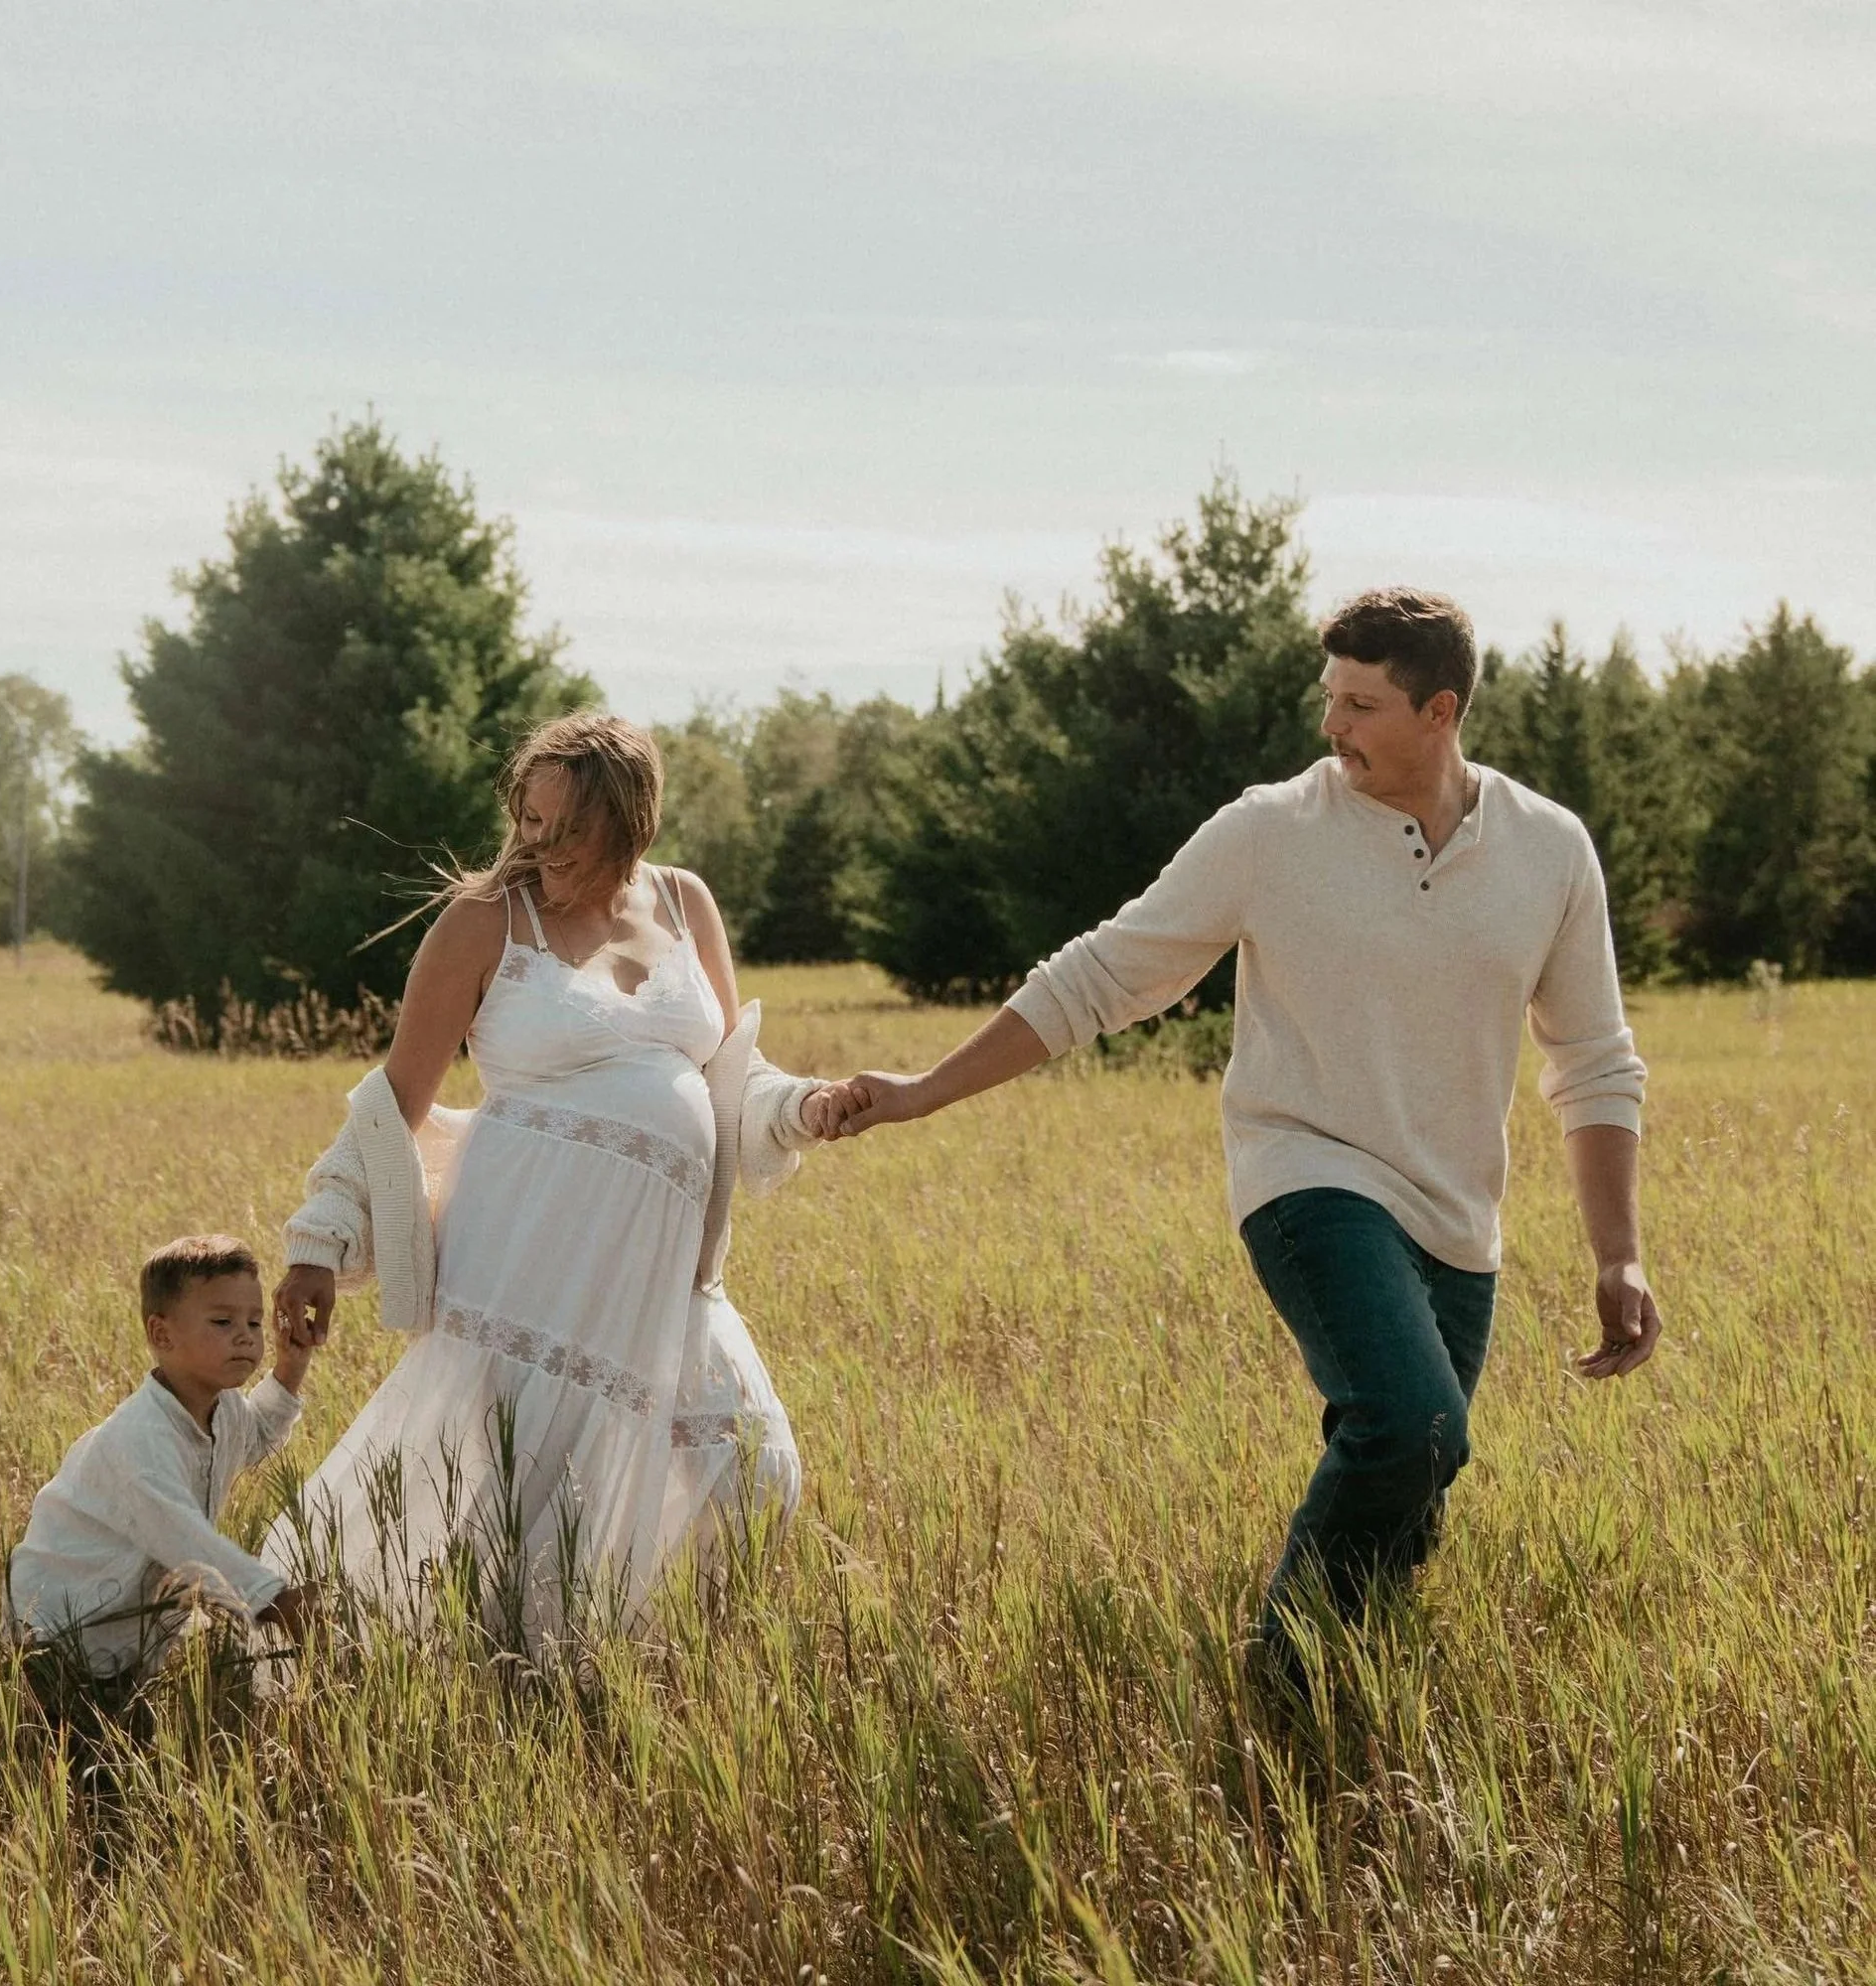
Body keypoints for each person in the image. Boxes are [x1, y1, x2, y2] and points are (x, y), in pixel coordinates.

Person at [827, 587, 1663, 1670]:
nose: (1333, 725)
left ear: (1440, 711)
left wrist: (1619, 1252)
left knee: (1411, 1486)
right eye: (1330, 698)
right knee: (1413, 1425)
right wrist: (924, 1088)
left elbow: (1593, 1060)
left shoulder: (1547, 850)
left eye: (1361, 704)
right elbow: (1104, 973)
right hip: (1306, 1174)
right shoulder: (1271, 831)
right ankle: (1277, 1678)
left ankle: (1339, 1716)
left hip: (1458, 1214)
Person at [263, 712, 849, 1641]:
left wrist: (805, 1107)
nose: (540, 844)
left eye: (565, 826)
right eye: (528, 820)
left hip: (663, 1273)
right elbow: (394, 1100)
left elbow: (738, 1075)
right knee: (506, 1484)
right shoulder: (485, 919)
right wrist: (317, 1244)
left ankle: (662, 1654)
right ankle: (468, 1670)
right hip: (523, 1261)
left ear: (629, 817)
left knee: (754, 1468)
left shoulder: (687, 904)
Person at [10, 1234, 319, 1682]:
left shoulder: (223, 1405)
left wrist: (290, 1369)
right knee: (79, 1737)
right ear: (161, 1334)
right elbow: (187, 1541)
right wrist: (273, 1598)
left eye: (254, 1323)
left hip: (128, 1619)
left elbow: (250, 1441)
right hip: (61, 1629)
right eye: (221, 1321)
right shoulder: (140, 1441)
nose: (244, 1336)